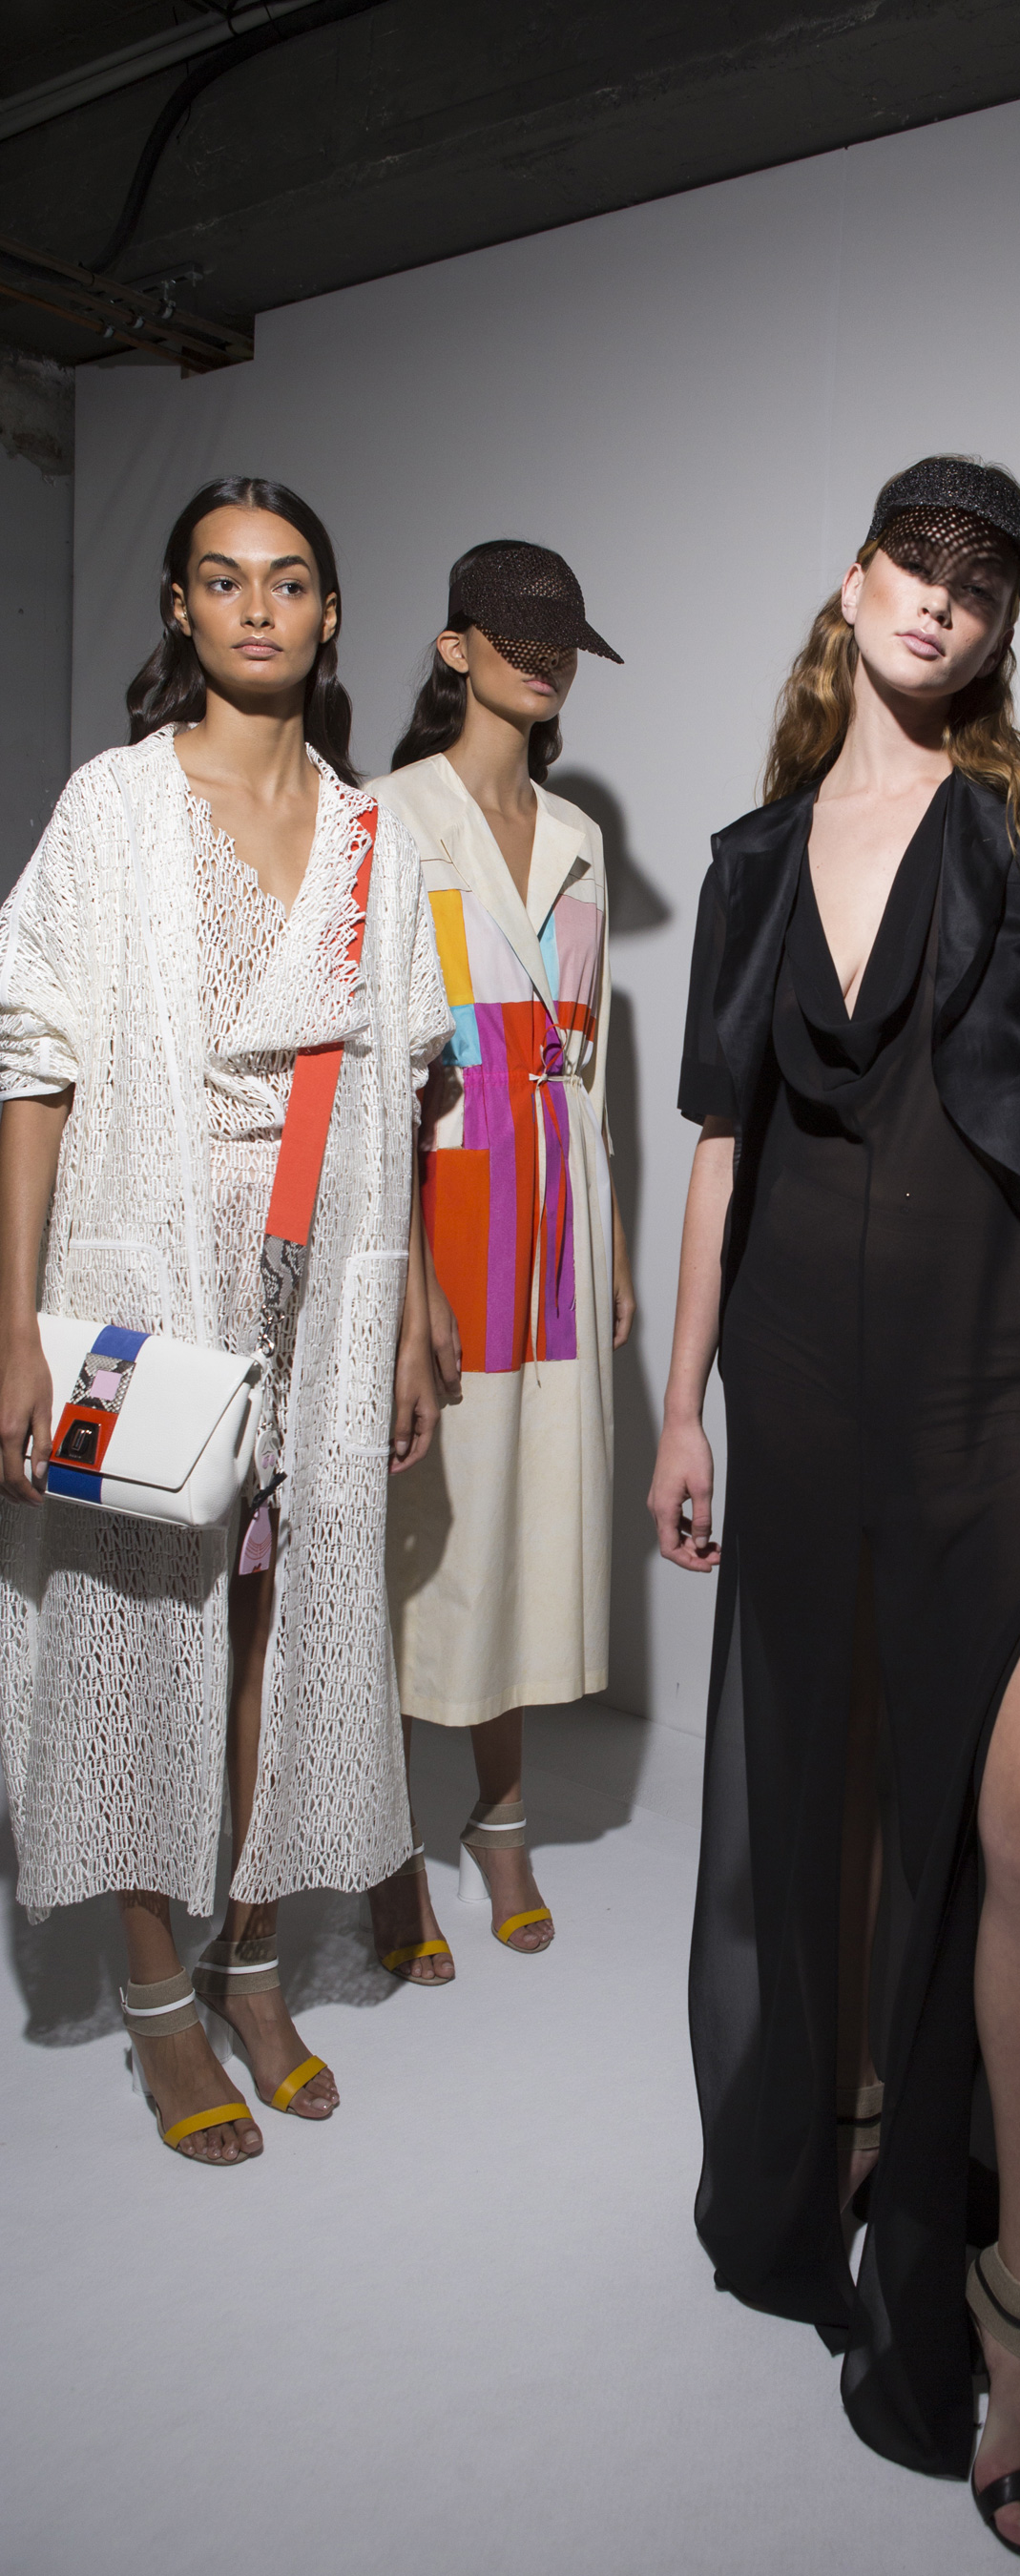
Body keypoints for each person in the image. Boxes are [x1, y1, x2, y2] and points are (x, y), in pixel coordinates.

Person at [648, 457, 1020, 2552]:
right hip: (793, 1379)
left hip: (1001, 1377)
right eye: (917, 564)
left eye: (983, 584)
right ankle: (857, 2137)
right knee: (843, 1795)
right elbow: (719, 1149)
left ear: (1004, 624)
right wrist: (679, 1412)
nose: (943, 603)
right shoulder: (750, 860)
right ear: (852, 579)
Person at [0, 476, 449, 2164]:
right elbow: (32, 1065)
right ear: (180, 610)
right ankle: (154, 1996)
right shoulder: (112, 810)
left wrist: (408, 1321)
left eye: (289, 580)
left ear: (330, 615)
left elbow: (407, 1089)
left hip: (321, 1297)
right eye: (221, 578)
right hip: (138, 1287)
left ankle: (253, 1964)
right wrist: (12, 1320)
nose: (257, 607)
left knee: (283, 1634)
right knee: (134, 1634)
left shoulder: (371, 837)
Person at [368, 541, 634, 1977]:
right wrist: (403, 1274)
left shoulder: (580, 834)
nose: (544, 658)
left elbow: (594, 1059)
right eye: (516, 633)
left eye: (562, 638)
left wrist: (617, 1241)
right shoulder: (387, 816)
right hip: (442, 1190)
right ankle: (387, 1842)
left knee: (533, 1514)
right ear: (455, 646)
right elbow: (375, 1066)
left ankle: (503, 1817)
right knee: (421, 1527)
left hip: (560, 1212)